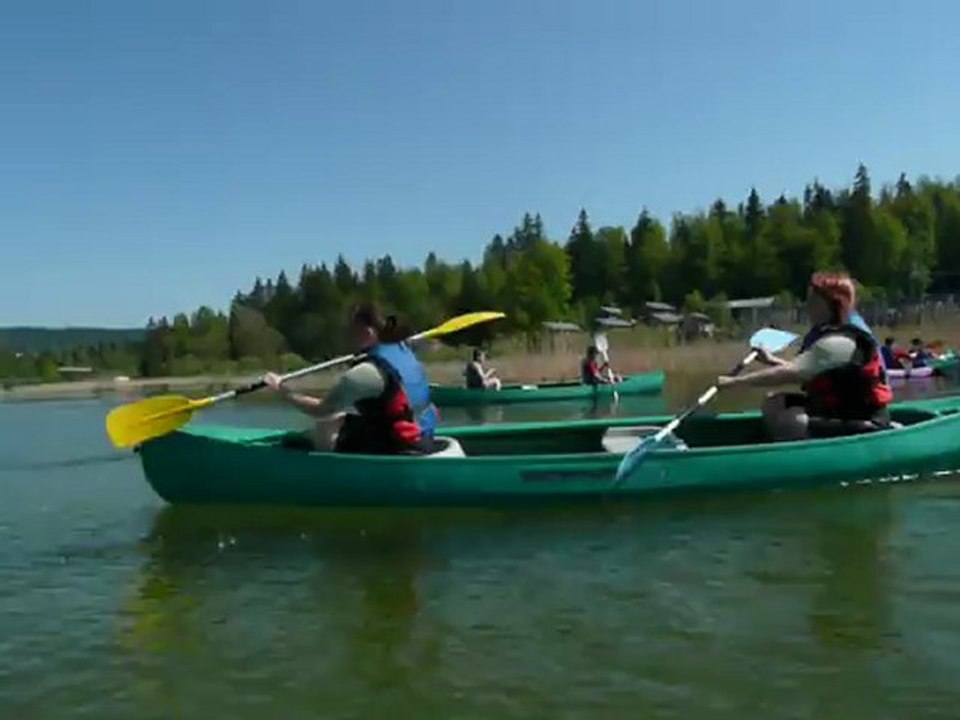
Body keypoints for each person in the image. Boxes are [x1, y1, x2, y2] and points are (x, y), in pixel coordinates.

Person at [717, 271, 892, 441]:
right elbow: (816, 371)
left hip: (864, 421)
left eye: (813, 300)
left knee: (793, 420)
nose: (807, 305)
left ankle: (793, 460)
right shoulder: (825, 334)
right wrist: (772, 361)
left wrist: (735, 382)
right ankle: (779, 446)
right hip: (835, 409)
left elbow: (795, 372)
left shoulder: (841, 342)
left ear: (831, 304)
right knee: (775, 403)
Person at [263, 302, 438, 454]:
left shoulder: (365, 373)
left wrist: (283, 391)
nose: (347, 337)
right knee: (338, 419)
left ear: (368, 333)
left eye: (351, 331)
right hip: (424, 437)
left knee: (325, 424)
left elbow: (320, 410)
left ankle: (328, 473)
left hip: (399, 447)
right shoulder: (403, 350)